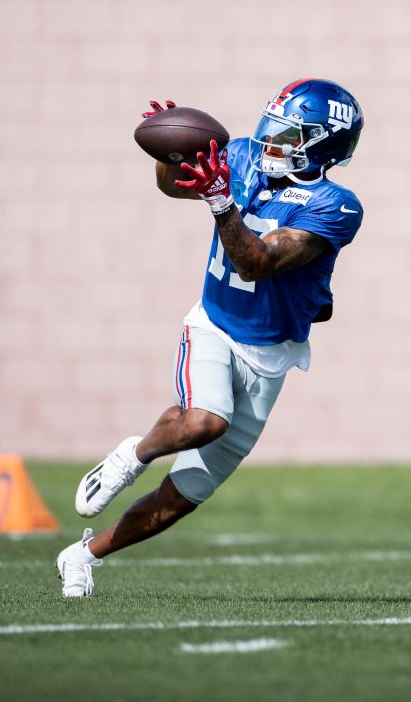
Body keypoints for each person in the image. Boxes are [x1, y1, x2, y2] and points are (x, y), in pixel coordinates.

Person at [54, 78, 365, 597]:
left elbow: (258, 262)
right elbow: (170, 182)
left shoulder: (336, 205)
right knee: (204, 420)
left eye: (289, 134)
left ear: (323, 144)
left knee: (186, 494)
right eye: (273, 124)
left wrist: (221, 203)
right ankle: (132, 456)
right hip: (215, 325)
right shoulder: (241, 156)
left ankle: (82, 555)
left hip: (271, 354)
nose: (270, 139)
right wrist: (170, 150)